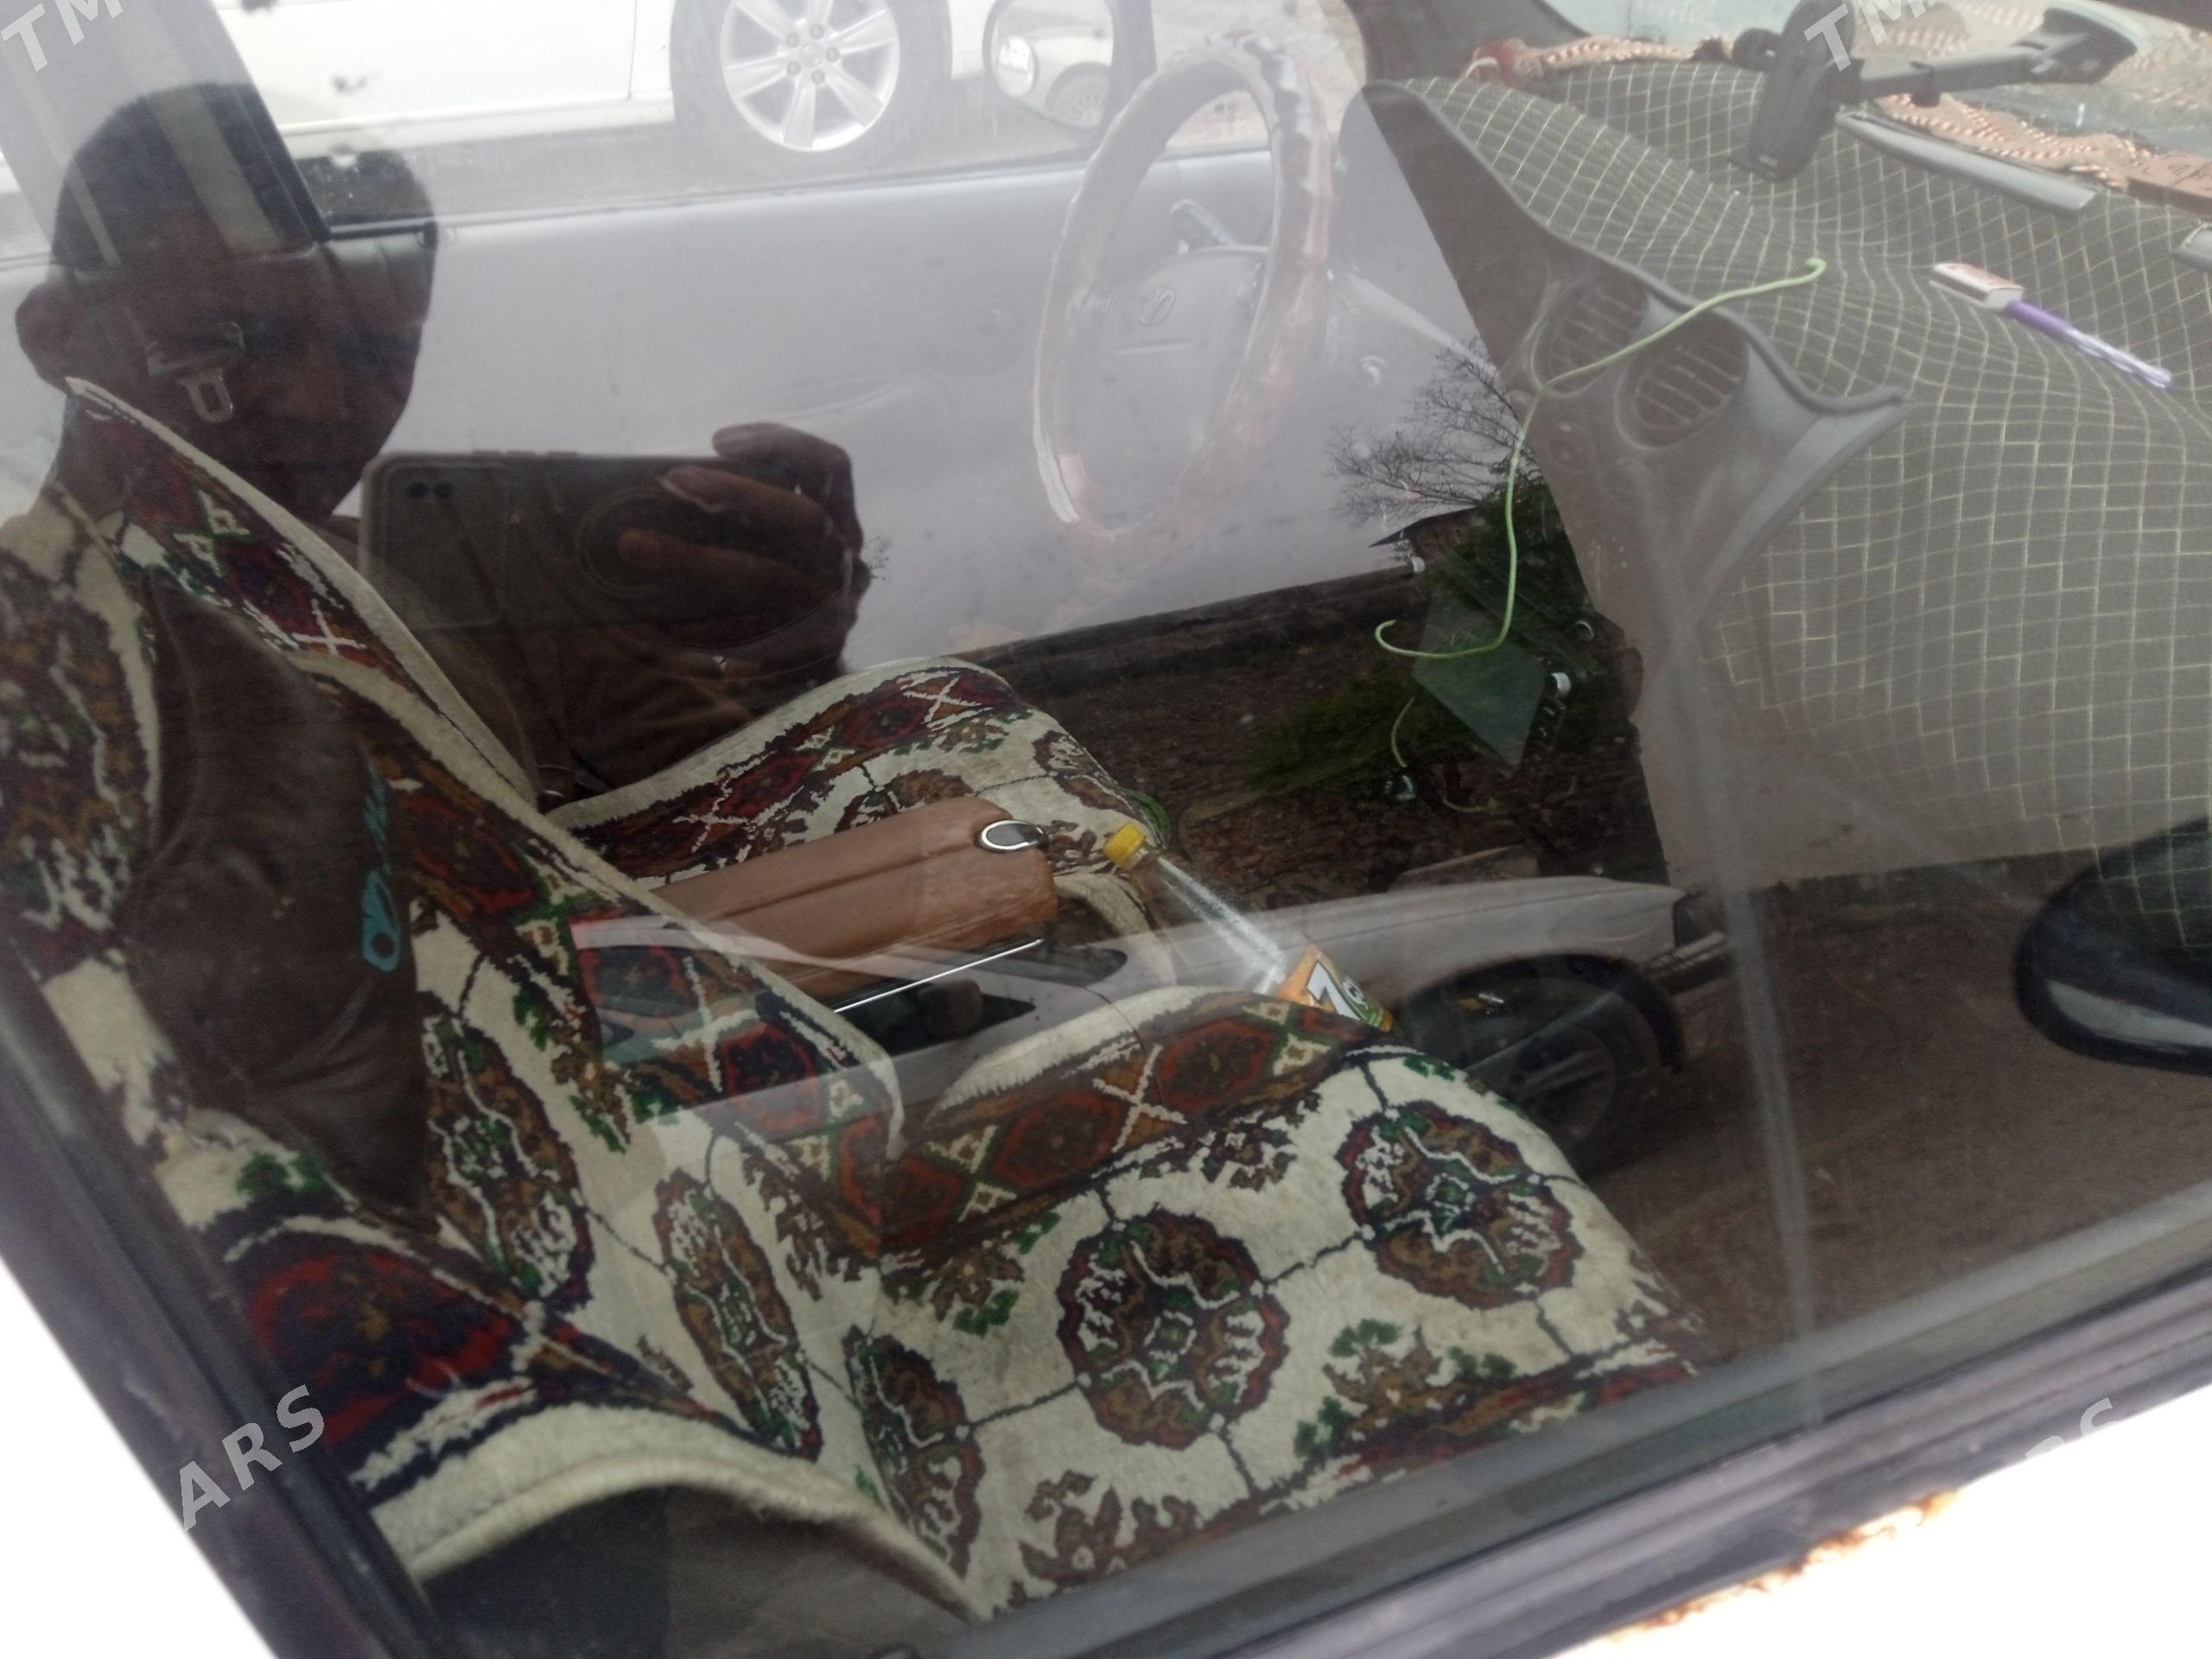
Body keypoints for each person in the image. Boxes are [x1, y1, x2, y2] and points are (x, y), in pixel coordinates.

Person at [13, 88, 871, 806]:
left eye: (376, 355)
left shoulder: (473, 594)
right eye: (244, 343)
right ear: (56, 337)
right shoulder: (27, 658)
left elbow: (767, 817)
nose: (321, 403)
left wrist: (792, 667)